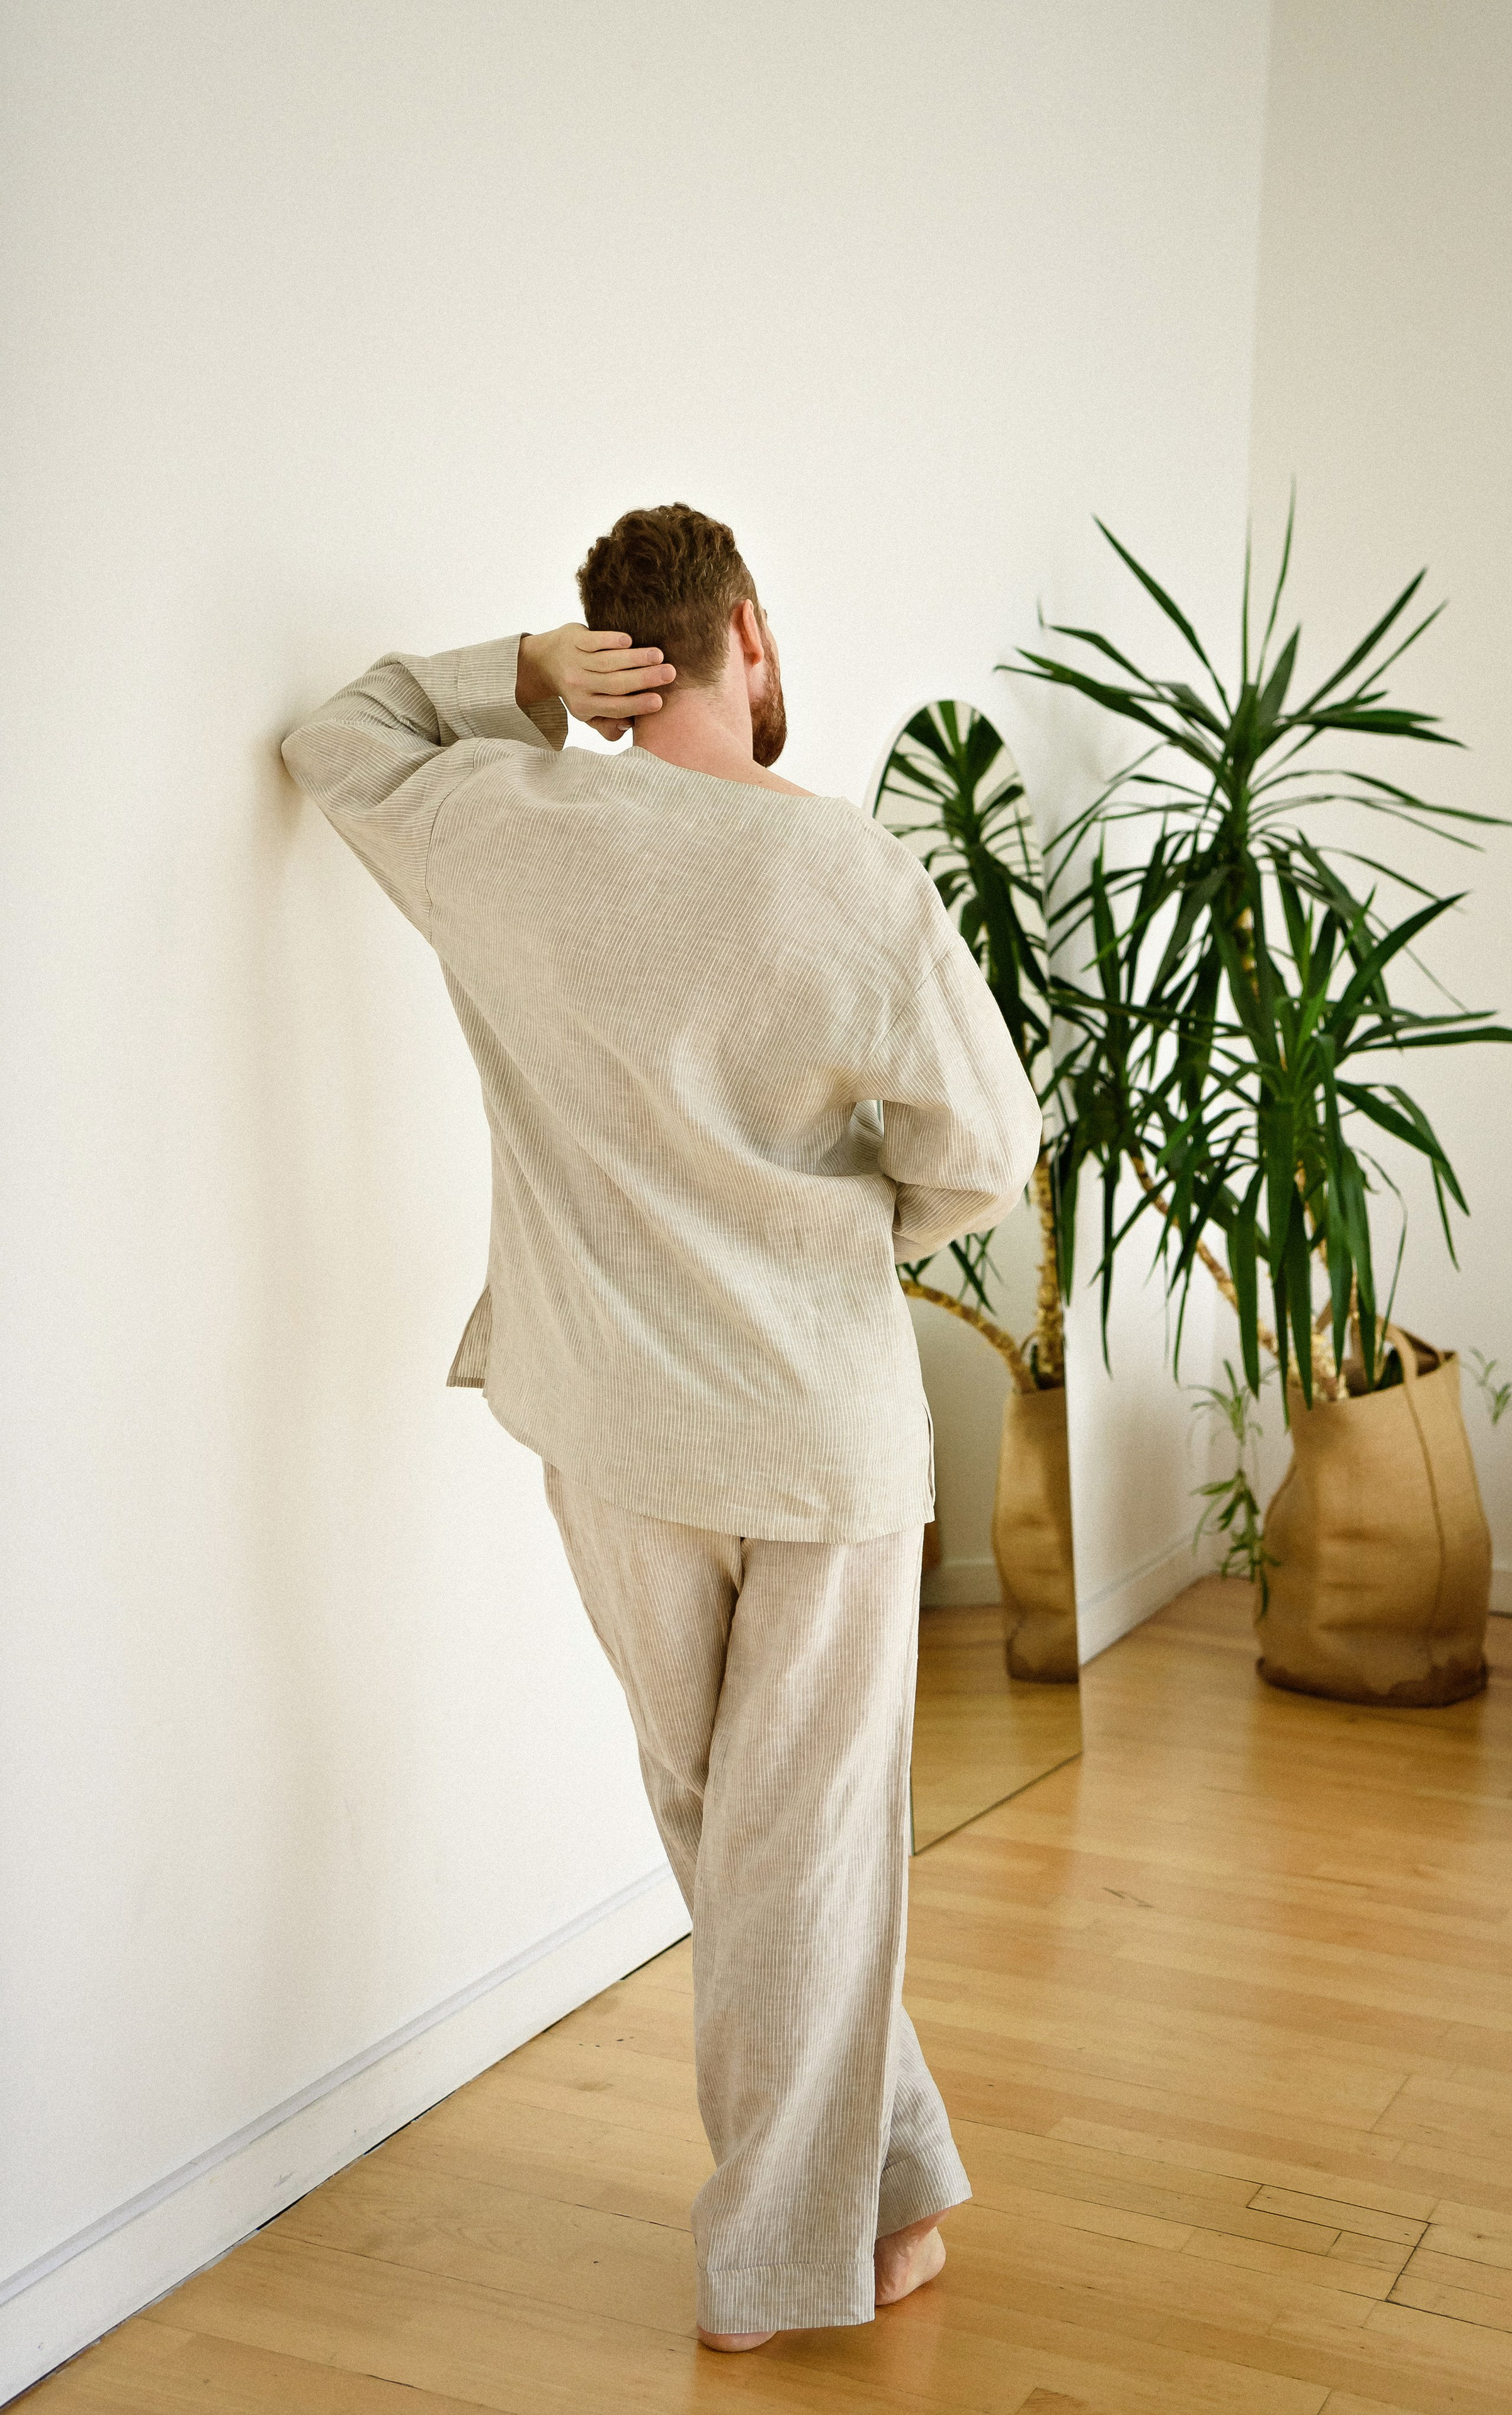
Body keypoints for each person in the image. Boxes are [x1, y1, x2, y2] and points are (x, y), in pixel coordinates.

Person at [281, 503, 1043, 2351]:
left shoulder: (499, 823)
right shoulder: (851, 871)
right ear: (748, 636)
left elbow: (335, 735)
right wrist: (853, 1226)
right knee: (803, 1843)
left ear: (614, 661)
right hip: (815, 1433)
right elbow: (990, 1152)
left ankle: (892, 2186)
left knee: (739, 1827)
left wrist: (521, 681)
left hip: (612, 1427)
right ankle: (775, 2267)